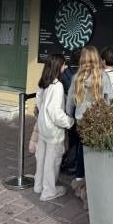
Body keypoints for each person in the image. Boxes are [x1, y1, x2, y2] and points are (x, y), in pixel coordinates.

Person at [66, 46, 113, 205]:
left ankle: (80, 181)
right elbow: (110, 100)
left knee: (81, 150)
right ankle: (93, 185)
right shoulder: (103, 76)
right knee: (95, 152)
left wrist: (69, 116)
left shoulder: (77, 77)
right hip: (98, 120)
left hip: (81, 121)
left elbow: (70, 103)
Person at [34, 54, 74, 201]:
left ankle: (39, 185)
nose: (66, 67)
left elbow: (39, 102)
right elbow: (55, 112)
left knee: (42, 158)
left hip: (43, 126)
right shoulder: (57, 86)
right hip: (53, 130)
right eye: (64, 65)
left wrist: (43, 116)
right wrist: (69, 121)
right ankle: (49, 191)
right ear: (58, 67)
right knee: (52, 161)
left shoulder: (44, 82)